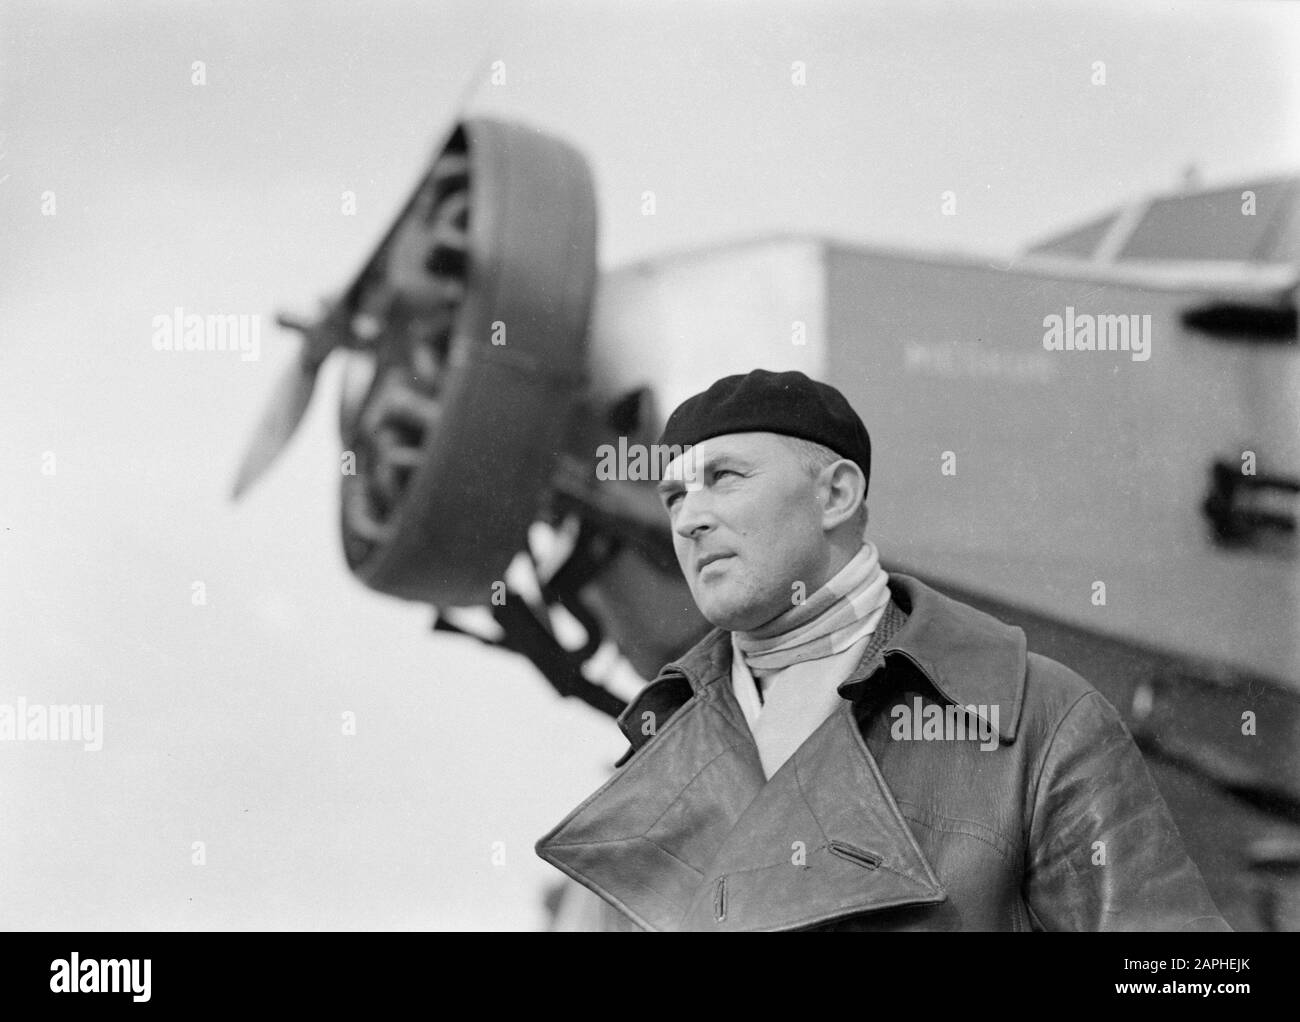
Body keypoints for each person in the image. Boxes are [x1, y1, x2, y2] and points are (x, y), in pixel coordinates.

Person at [535, 368, 1229, 931]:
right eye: (673, 495)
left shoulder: (1036, 719)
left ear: (837, 494)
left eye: (725, 478)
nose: (690, 518)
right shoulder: (654, 769)